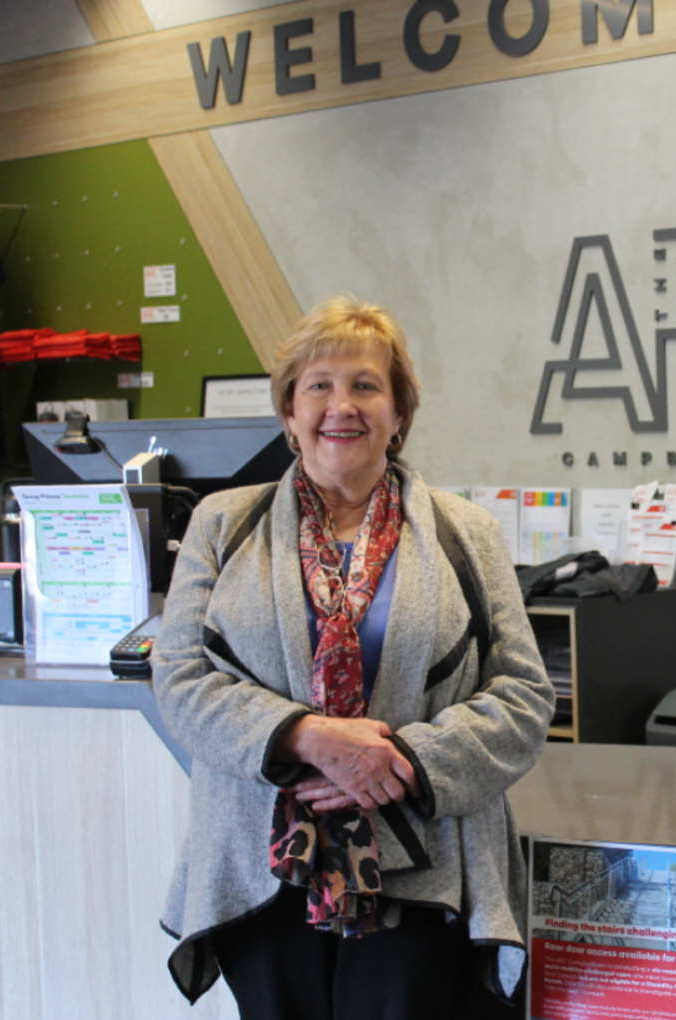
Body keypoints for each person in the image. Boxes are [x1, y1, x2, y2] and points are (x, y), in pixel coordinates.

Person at [152, 295, 554, 1019]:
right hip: (262, 869)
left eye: (366, 385)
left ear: (399, 415)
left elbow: (524, 697)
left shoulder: (467, 534)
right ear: (289, 413)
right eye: (320, 385)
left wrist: (397, 760)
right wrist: (307, 738)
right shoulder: (222, 525)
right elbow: (180, 679)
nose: (343, 405)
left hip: (425, 871)